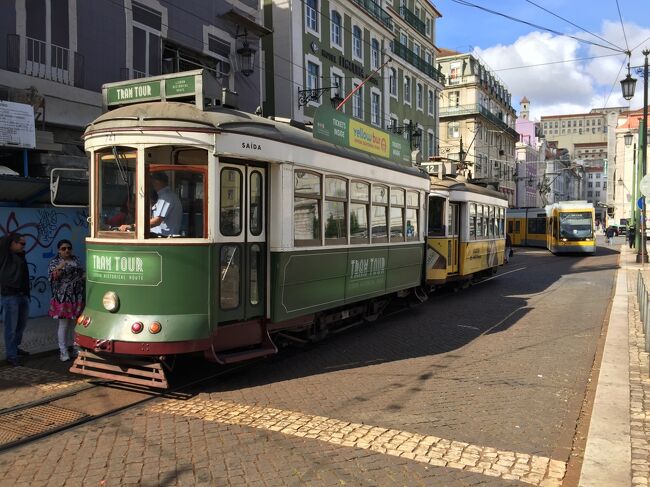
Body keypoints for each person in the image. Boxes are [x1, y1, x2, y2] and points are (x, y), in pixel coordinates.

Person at [48, 239, 85, 362]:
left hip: (77, 296)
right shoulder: (55, 262)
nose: (67, 250)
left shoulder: (76, 260)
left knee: (77, 324)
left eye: (69, 248)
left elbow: (82, 273)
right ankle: (63, 352)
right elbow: (53, 277)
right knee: (64, 324)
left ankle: (76, 348)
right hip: (63, 297)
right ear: (59, 250)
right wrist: (60, 267)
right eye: (63, 248)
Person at [0, 233, 30, 366]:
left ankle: (15, 348)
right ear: (12, 243)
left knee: (21, 325)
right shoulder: (4, 255)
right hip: (9, 296)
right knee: (10, 328)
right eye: (22, 243)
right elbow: (3, 241)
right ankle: (11, 356)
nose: (24, 246)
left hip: (22, 295)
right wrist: (11, 236)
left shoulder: (20, 255)